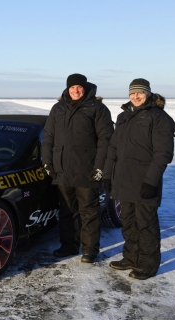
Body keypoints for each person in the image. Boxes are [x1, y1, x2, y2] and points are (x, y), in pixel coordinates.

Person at [103, 79, 175, 280]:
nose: (136, 96)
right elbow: (113, 149)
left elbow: (163, 153)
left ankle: (148, 265)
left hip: (144, 182)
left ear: (148, 94)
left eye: (140, 93)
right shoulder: (124, 116)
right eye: (132, 93)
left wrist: (151, 181)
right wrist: (108, 175)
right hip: (123, 180)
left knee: (146, 224)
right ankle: (131, 258)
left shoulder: (159, 118)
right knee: (128, 222)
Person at [42, 73, 113, 263]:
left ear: (85, 88)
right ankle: (68, 245)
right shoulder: (58, 109)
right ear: (67, 89)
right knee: (67, 211)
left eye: (79, 87)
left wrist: (100, 167)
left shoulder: (97, 108)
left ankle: (89, 250)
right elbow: (48, 137)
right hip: (62, 169)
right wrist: (47, 162)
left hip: (86, 170)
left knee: (89, 212)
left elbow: (106, 140)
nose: (76, 90)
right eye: (72, 87)